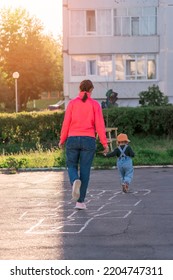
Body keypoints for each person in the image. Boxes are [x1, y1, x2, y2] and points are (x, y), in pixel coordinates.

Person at [58, 79, 109, 210]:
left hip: (73, 138)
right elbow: (100, 125)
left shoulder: (72, 104)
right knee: (85, 170)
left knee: (71, 165)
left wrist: (62, 139)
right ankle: (80, 202)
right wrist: (104, 143)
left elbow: (66, 123)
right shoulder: (95, 105)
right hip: (89, 140)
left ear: (79, 89)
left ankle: (74, 179)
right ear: (91, 90)